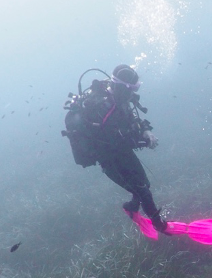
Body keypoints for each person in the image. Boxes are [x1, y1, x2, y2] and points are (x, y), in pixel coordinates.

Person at [63, 64, 169, 233]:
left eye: (136, 88)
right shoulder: (100, 107)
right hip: (108, 158)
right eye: (131, 89)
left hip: (122, 153)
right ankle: (160, 225)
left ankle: (131, 207)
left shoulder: (121, 100)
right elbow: (114, 140)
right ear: (121, 87)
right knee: (142, 190)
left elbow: (133, 119)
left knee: (144, 185)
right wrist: (140, 140)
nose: (133, 93)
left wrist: (146, 132)